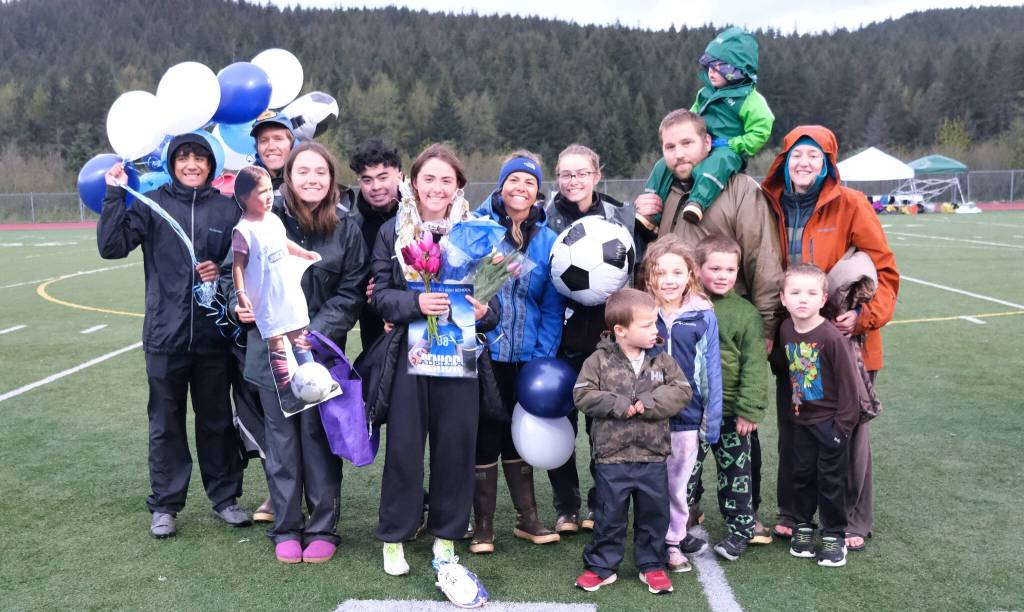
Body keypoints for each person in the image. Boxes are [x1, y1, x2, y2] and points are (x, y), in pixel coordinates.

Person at [98, 132, 249, 538]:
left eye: (200, 158)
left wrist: (218, 267)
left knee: (217, 421)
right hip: (164, 337)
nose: (192, 165)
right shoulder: (154, 204)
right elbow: (111, 247)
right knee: (165, 423)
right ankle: (166, 504)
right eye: (183, 158)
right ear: (172, 163)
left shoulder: (227, 209)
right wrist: (115, 195)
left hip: (214, 338)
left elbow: (244, 262)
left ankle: (225, 498)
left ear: (212, 165)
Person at [761, 125, 899, 552]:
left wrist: (862, 317)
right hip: (797, 341)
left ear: (828, 164)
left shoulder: (852, 204)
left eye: (815, 157)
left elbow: (885, 273)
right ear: (784, 161)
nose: (804, 163)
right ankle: (793, 512)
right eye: (797, 156)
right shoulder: (771, 204)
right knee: (795, 425)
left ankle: (852, 518)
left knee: (849, 430)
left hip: (845, 341)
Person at [229, 142, 367, 564]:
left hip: (319, 351)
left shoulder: (347, 226)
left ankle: (323, 526)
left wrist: (318, 331)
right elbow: (236, 273)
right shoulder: (261, 220)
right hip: (271, 350)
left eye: (320, 172)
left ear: (331, 179)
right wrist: (239, 303)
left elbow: (352, 288)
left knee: (319, 438)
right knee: (283, 440)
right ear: (287, 177)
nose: (312, 179)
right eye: (302, 171)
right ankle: (287, 526)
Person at [371, 143, 498, 575]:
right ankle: (395, 536)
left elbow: (493, 304)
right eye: (429, 178)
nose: (437, 187)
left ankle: (446, 538)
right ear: (413, 183)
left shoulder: (478, 231)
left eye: (447, 180)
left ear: (459, 185)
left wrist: (484, 313)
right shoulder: (393, 232)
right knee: (405, 448)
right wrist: (415, 303)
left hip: (459, 359)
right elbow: (380, 297)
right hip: (412, 356)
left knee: (455, 450)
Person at [470, 153, 566, 554]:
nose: (521, 188)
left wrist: (541, 355)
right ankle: (484, 527)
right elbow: (465, 286)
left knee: (518, 432)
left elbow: (551, 304)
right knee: (484, 433)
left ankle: (529, 519)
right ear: (501, 185)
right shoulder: (476, 228)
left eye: (529, 182)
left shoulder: (546, 240)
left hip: (527, 356)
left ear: (537, 191)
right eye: (514, 180)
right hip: (482, 352)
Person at [573, 288, 690, 595]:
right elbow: (582, 395)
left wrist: (649, 401)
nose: (656, 331)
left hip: (653, 455)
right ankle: (601, 566)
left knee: (654, 516)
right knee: (609, 515)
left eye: (656, 324)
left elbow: (682, 391)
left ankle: (652, 565)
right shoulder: (597, 361)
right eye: (648, 325)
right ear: (621, 331)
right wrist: (617, 403)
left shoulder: (662, 360)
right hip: (612, 456)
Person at [543, 144, 633, 534]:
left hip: (607, 342)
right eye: (565, 174)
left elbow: (636, 271)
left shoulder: (620, 217)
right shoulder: (543, 220)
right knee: (559, 423)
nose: (573, 181)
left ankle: (600, 504)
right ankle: (566, 506)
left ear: (597, 175)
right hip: (560, 341)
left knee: (604, 427)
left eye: (581, 173)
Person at [634, 109, 784, 342]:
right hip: (668, 325)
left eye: (687, 143)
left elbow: (763, 258)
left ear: (707, 142)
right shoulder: (663, 192)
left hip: (725, 328)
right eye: (670, 147)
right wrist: (642, 224)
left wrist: (765, 329)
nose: (679, 154)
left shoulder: (740, 189)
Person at [642, 234, 722, 573]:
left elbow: (711, 371)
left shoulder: (703, 315)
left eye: (677, 272)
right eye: (661, 273)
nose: (669, 280)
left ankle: (673, 542)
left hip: (687, 419)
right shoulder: (642, 312)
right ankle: (647, 541)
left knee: (677, 487)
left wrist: (711, 420)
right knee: (648, 485)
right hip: (647, 419)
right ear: (649, 278)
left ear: (690, 274)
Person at [773, 264, 860, 568]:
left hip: (829, 424)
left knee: (830, 480)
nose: (802, 300)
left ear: (823, 299)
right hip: (800, 422)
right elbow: (784, 366)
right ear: (783, 298)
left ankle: (835, 533)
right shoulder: (785, 329)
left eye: (811, 293)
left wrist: (841, 428)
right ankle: (803, 525)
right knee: (801, 476)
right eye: (795, 293)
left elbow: (851, 386)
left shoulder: (831, 337)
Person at [691, 234, 772, 561]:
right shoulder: (688, 305)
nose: (723, 275)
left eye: (730, 269)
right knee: (685, 474)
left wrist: (749, 411)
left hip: (730, 416)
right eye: (715, 268)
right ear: (697, 269)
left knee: (737, 477)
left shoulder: (746, 314)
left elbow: (755, 366)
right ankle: (677, 528)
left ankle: (740, 531)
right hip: (691, 414)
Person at [642, 27, 774, 225]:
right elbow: (691, 117)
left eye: (717, 68)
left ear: (735, 70)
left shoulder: (749, 99)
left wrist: (734, 144)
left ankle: (697, 203)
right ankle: (652, 213)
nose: (710, 72)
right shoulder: (704, 93)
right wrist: (683, 136)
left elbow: (761, 130)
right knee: (663, 164)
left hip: (726, 151)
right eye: (709, 67)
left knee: (715, 164)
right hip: (702, 147)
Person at [231, 165, 324, 397]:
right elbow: (237, 266)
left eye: (270, 189)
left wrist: (303, 253)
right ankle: (286, 388)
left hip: (287, 291)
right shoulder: (243, 230)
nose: (269, 195)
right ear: (244, 198)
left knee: (299, 336)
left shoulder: (272, 220)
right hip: (266, 296)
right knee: (276, 341)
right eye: (262, 192)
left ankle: (309, 378)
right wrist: (241, 294)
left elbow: (283, 242)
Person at [340, 138, 404, 351]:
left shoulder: (423, 219)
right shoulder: (353, 227)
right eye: (367, 180)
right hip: (374, 335)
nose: (375, 187)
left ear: (400, 176)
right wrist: (366, 289)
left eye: (383, 177)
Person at [251, 111, 298, 193]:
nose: (271, 147)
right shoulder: (247, 184)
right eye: (264, 140)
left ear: (291, 144)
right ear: (257, 147)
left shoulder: (308, 181)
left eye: (278, 139)